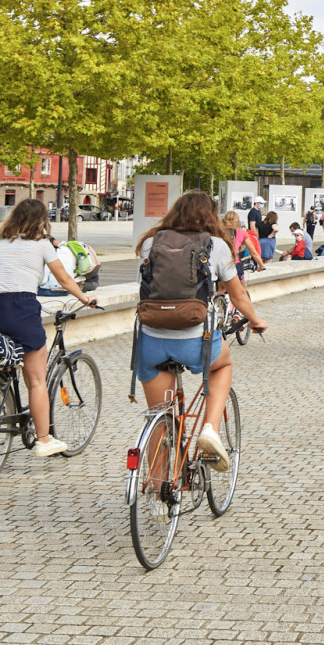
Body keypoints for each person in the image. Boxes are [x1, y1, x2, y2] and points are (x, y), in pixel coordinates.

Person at [135, 190, 267, 469]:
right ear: (211, 215)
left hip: (152, 337)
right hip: (196, 338)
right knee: (222, 366)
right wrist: (255, 320)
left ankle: (158, 497)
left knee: (159, 418)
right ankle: (210, 429)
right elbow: (238, 296)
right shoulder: (217, 245)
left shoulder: (150, 243)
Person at [0, 200, 99, 457]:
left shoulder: (1, 242)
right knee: (36, 381)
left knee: (7, 355)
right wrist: (85, 298)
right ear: (42, 220)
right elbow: (65, 279)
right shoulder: (43, 245)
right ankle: (44, 440)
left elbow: (11, 272)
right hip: (21, 307)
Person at [223, 212, 262, 278]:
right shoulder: (241, 233)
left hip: (222, 264)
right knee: (241, 287)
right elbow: (253, 252)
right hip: (235, 263)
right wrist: (261, 265)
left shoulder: (220, 232)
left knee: (222, 288)